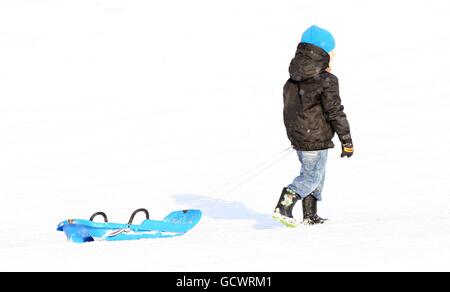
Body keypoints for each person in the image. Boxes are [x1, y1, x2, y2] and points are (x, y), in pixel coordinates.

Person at [273, 25, 353, 227]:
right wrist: (346, 139)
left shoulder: (291, 81)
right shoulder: (327, 80)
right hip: (315, 138)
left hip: (301, 137)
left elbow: (290, 111)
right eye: (332, 53)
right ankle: (283, 207)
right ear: (323, 53)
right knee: (310, 177)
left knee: (316, 177)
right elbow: (335, 111)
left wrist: (296, 136)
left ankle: (310, 215)